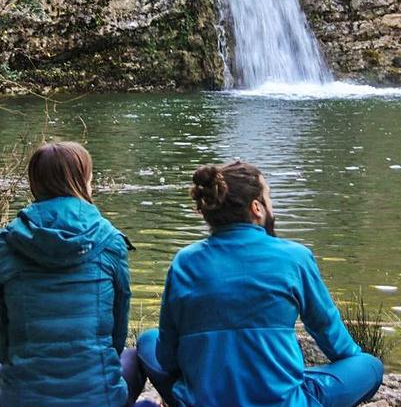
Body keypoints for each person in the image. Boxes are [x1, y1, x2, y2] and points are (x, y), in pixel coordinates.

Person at [137, 161, 384, 407]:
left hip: (203, 400)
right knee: (369, 366)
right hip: (285, 402)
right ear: (257, 207)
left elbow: (167, 359)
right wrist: (346, 364)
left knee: (148, 340)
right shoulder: (294, 257)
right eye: (269, 197)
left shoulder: (184, 262)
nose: (271, 206)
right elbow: (334, 340)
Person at [0, 141, 150, 407]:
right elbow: (117, 333)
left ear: (35, 183)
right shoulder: (110, 241)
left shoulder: (5, 244)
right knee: (133, 358)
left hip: (22, 398)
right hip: (100, 398)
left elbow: (0, 329)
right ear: (83, 180)